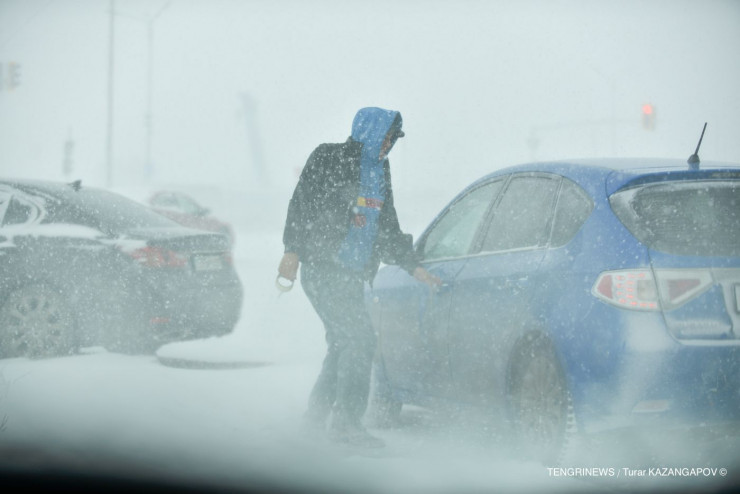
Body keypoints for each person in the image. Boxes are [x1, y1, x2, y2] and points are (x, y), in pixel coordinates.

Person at [278, 107, 440, 448]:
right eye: (385, 137)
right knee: (360, 339)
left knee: (343, 343)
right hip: (323, 268)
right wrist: (292, 250)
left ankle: (316, 419)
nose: (388, 145)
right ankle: (346, 424)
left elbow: (387, 227)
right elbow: (301, 204)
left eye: (393, 140)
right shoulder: (328, 157)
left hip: (352, 275)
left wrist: (413, 265)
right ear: (368, 132)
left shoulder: (381, 172)